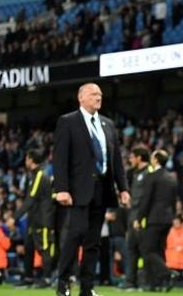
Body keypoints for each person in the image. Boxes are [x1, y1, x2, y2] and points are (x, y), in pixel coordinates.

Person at [53, 83, 130, 296]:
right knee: (76, 234)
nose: (98, 97)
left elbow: (116, 160)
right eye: (94, 94)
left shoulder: (108, 124)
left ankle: (87, 289)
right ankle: (63, 283)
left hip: (103, 189)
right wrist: (62, 188)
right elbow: (60, 159)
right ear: (81, 97)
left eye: (100, 94)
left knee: (93, 241)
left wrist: (123, 188)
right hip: (78, 190)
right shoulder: (68, 122)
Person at [136, 149, 177, 291]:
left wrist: (139, 218)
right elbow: (173, 201)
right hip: (167, 218)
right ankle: (157, 284)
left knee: (148, 250)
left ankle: (168, 273)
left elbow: (146, 200)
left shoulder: (151, 176)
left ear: (156, 160)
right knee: (159, 250)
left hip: (154, 218)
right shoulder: (171, 177)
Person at [15, 148, 56, 287]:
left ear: (31, 160)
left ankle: (46, 278)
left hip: (43, 219)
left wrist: (16, 216)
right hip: (33, 219)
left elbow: (31, 197)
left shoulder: (39, 175)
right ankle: (28, 277)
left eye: (27, 158)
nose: (25, 161)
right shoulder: (34, 175)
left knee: (44, 248)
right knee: (29, 247)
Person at [121, 146, 150, 290]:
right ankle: (130, 281)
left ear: (139, 158)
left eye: (132, 157)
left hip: (142, 216)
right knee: (131, 248)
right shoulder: (133, 173)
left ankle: (143, 281)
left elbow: (147, 197)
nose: (130, 160)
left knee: (143, 250)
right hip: (132, 215)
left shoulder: (148, 173)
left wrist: (141, 216)